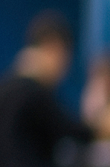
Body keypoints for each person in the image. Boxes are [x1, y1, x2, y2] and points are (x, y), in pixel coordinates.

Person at [0, 10, 92, 167]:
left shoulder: (9, 85)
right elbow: (73, 131)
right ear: (52, 47)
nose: (64, 67)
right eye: (63, 55)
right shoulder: (34, 91)